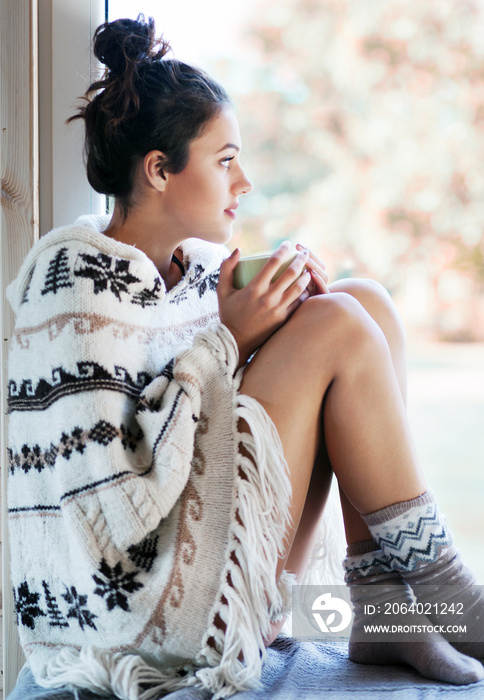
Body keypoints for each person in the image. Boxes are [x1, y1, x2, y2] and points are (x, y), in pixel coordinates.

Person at [6, 14, 483, 700]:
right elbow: (116, 509)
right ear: (160, 170)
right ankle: (443, 588)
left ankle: (383, 600)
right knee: (340, 324)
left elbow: (203, 405)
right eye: (226, 161)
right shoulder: (75, 285)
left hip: (202, 558)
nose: (245, 183)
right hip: (138, 610)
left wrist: (270, 322)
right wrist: (230, 340)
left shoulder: (191, 272)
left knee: (361, 302)